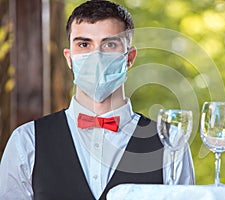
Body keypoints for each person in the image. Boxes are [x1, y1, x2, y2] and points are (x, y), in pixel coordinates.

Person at [0, 0, 195, 199]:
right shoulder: (26, 141)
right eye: (84, 44)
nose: (96, 56)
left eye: (110, 44)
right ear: (69, 58)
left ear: (129, 58)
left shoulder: (171, 142)